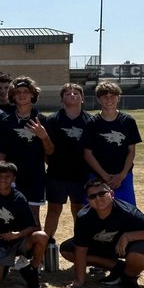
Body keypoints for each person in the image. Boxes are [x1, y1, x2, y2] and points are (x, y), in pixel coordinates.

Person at [63, 179, 144, 288]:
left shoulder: (128, 212)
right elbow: (81, 250)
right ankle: (119, 269)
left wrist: (128, 236)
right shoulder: (83, 217)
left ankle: (129, 278)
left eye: (102, 193)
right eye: (93, 196)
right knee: (67, 249)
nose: (98, 198)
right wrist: (79, 280)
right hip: (101, 248)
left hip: (125, 248)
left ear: (112, 193)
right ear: (88, 200)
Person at [0, 161, 48, 288]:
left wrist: (17, 235)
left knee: (42, 236)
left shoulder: (19, 198)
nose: (3, 180)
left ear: (14, 179)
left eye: (7, 176)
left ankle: (32, 269)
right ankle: (7, 265)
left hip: (19, 241)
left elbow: (34, 227)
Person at [0, 77, 52, 224]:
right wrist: (3, 173)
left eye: (26, 91)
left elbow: (50, 151)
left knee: (33, 216)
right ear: (13, 96)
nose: (22, 95)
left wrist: (43, 136)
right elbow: (1, 151)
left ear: (32, 94)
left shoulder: (41, 120)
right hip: (13, 176)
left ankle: (35, 240)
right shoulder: (7, 121)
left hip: (35, 175)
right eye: (18, 92)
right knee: (12, 214)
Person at [43, 82, 90, 243]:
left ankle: (81, 242)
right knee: (54, 209)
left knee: (79, 210)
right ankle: (47, 243)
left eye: (76, 93)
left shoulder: (90, 120)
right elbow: (46, 149)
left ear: (82, 98)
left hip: (81, 175)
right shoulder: (52, 120)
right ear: (61, 98)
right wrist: (53, 164)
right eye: (67, 93)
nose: (72, 95)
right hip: (57, 174)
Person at [82, 80, 141, 206]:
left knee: (127, 210)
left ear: (118, 98)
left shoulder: (128, 121)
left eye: (113, 96)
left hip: (123, 176)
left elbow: (131, 151)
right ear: (99, 99)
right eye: (104, 96)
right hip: (97, 175)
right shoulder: (92, 123)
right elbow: (87, 153)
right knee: (98, 208)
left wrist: (122, 175)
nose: (109, 99)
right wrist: (105, 176)